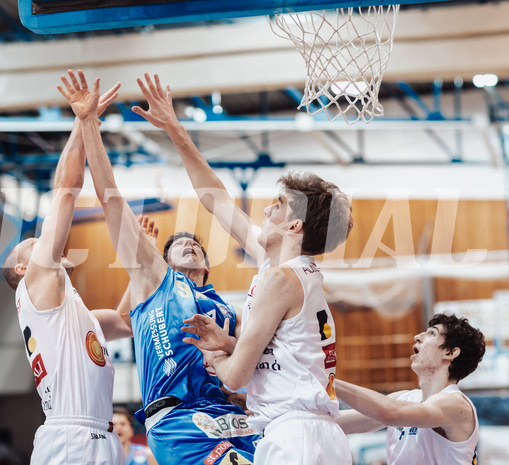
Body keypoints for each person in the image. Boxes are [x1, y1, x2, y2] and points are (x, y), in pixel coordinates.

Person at [131, 73, 354, 465]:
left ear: (294, 226)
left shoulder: (281, 279)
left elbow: (234, 378)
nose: (266, 209)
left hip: (295, 435)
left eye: (278, 205)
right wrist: (175, 130)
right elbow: (216, 200)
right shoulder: (292, 271)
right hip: (310, 432)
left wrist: (214, 354)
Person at [57, 70, 259, 465]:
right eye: (176, 245)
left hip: (233, 417)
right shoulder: (157, 282)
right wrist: (88, 125)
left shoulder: (229, 311)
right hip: (180, 420)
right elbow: (110, 199)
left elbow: (251, 369)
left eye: (195, 244)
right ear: (160, 262)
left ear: (206, 264)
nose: (188, 243)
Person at [1, 77, 133, 465]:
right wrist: (82, 122)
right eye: (33, 245)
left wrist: (139, 257)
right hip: (70, 437)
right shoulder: (36, 282)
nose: (42, 244)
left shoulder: (73, 314)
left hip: (99, 437)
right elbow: (66, 189)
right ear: (24, 268)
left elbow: (126, 320)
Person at [334, 313, 486, 465]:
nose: (417, 336)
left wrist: (330, 381)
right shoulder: (405, 398)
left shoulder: (456, 404)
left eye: (432, 333)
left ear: (450, 352)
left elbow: (389, 413)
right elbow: (339, 422)